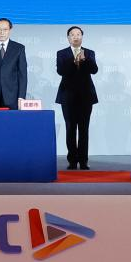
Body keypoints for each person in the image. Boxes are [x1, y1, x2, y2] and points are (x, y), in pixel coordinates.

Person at [55, 26, 98, 169]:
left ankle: (84, 161)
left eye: (78, 34)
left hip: (86, 96)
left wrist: (85, 60)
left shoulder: (89, 52)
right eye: (72, 34)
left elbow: (94, 70)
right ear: (68, 38)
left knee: (84, 129)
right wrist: (73, 60)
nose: (75, 37)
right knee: (70, 128)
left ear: (82, 37)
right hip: (68, 96)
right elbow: (61, 71)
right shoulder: (62, 53)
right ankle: (72, 161)